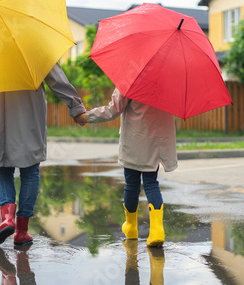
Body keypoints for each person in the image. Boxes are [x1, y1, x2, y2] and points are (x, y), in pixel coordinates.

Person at [0, 63, 86, 245]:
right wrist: (76, 107)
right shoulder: (35, 44)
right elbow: (57, 79)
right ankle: (21, 231)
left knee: (2, 168)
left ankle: (7, 219)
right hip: (28, 113)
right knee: (30, 171)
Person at [76, 88, 177, 247]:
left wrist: (86, 116)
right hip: (156, 141)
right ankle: (157, 231)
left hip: (134, 140)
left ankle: (131, 227)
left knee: (132, 185)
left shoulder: (130, 80)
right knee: (151, 183)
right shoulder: (166, 82)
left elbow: (113, 110)